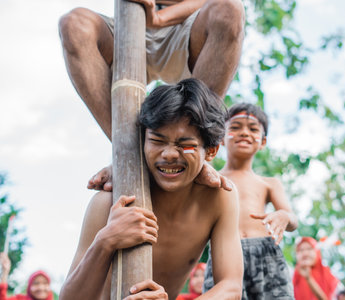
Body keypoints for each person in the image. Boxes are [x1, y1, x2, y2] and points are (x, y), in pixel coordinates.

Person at [59, 78, 243, 300]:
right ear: (143, 141)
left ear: (211, 151)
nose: (169, 154)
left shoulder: (219, 198)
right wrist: (106, 241)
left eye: (185, 145)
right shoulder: (109, 203)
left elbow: (231, 286)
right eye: (157, 140)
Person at [58, 0, 245, 140]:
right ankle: (127, 146)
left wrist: (159, 18)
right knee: (74, 23)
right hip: (124, 28)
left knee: (229, 9)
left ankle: (194, 139)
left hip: (183, 27)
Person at [203, 103, 298, 299]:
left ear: (262, 141)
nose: (244, 133)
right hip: (224, 256)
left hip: (267, 255)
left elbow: (293, 221)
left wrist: (283, 216)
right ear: (221, 138)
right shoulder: (211, 179)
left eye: (253, 129)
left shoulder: (269, 183)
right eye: (235, 127)